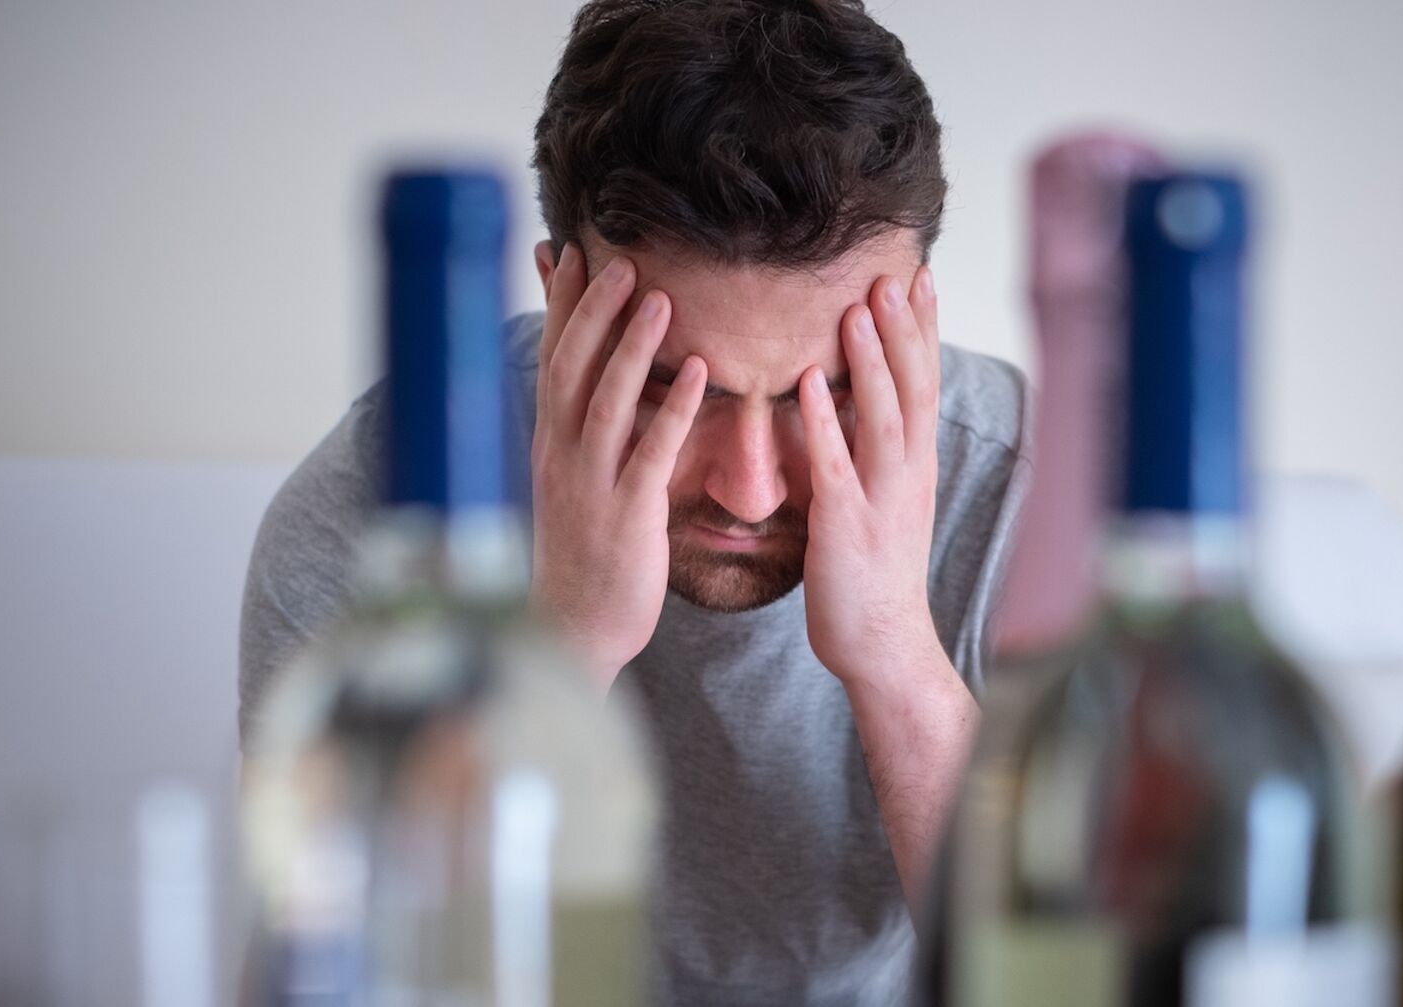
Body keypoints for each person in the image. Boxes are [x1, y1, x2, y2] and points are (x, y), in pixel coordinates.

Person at [237, 1, 1030, 1002]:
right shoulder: (370, 514)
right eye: (667, 385)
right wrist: (555, 645)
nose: (749, 487)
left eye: (824, 393)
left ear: (918, 310)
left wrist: (898, 657)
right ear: (559, 292)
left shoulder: (1021, 501)